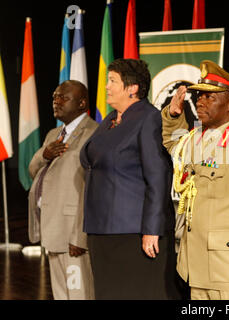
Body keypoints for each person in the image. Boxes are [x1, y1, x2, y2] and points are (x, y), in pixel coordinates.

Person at [80, 58, 182, 300]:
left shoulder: (148, 118)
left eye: (112, 81)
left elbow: (157, 177)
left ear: (132, 88)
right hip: (101, 230)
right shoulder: (110, 120)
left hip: (133, 233)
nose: (106, 86)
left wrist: (151, 230)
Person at [161, 60, 229, 300]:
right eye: (199, 96)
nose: (200, 101)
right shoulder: (196, 138)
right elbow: (174, 147)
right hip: (195, 265)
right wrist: (174, 115)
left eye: (209, 97)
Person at [28, 80, 97, 300]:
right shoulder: (54, 134)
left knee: (78, 294)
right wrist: (44, 155)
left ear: (82, 103)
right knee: (60, 295)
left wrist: (80, 236)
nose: (56, 102)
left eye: (63, 98)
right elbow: (32, 170)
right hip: (53, 227)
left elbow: (91, 189)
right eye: (55, 97)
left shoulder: (93, 133)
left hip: (73, 233)